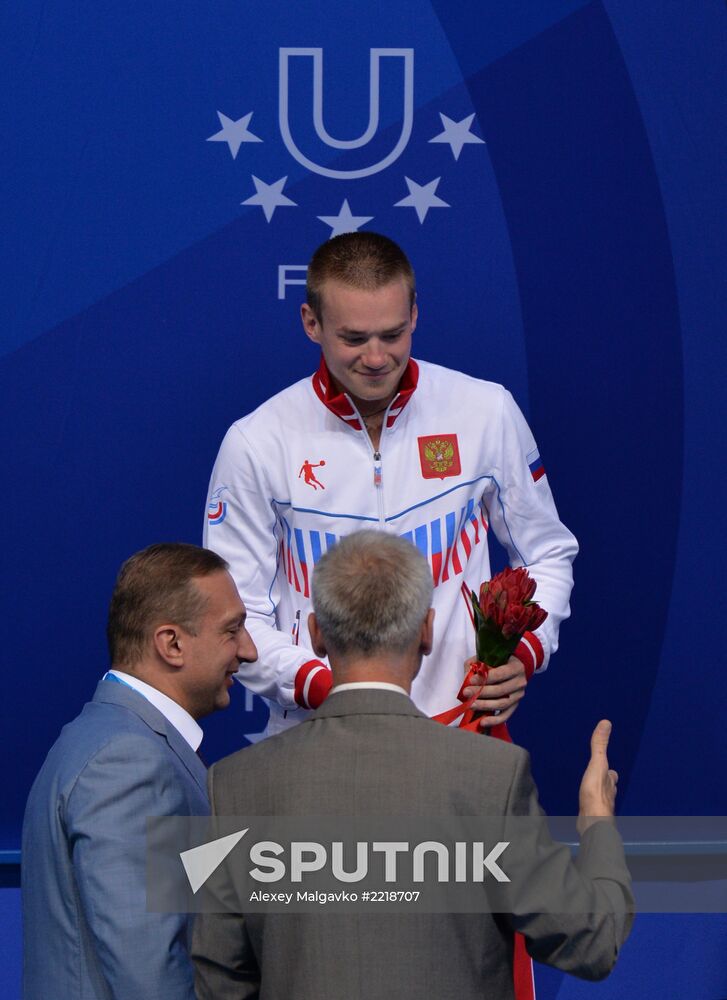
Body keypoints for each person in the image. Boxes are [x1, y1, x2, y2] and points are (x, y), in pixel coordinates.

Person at [191, 531, 633, 1000]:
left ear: (316, 633)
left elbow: (220, 982)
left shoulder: (235, 786)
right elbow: (591, 942)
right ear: (427, 631)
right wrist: (598, 826)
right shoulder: (492, 780)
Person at [204, 231, 578, 736]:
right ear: (311, 323)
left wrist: (525, 652)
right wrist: (324, 687)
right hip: (318, 736)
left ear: (415, 316)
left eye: (393, 334)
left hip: (460, 730)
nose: (377, 358)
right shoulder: (257, 442)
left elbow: (548, 553)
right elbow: (236, 614)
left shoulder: (484, 411)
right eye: (354, 338)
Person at [22, 543, 257, 1000]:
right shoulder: (127, 759)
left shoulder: (105, 739)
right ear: (171, 644)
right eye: (232, 630)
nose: (248, 651)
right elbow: (147, 973)